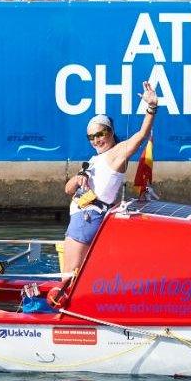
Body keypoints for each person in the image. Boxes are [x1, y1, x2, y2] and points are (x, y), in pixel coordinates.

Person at [62, 81, 159, 275]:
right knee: (78, 275)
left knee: (68, 276)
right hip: (84, 217)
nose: (96, 140)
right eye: (91, 137)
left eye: (101, 134)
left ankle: (61, 304)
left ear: (111, 132)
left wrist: (151, 107)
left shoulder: (117, 153)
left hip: (87, 219)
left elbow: (141, 135)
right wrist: (77, 178)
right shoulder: (95, 159)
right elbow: (68, 190)